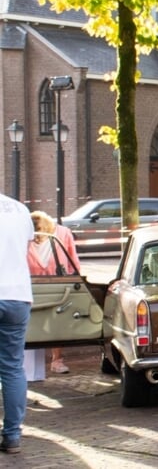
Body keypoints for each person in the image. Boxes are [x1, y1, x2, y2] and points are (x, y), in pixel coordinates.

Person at [0, 193, 34, 454]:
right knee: (12, 368)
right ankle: (12, 436)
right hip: (17, 296)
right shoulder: (20, 209)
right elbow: (27, 248)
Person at [27, 211, 80, 374]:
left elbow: (73, 258)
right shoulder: (25, 234)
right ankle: (27, 365)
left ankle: (57, 360)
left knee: (57, 321)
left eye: (40, 234)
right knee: (31, 322)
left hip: (57, 283)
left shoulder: (63, 233)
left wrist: (76, 279)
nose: (37, 238)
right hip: (30, 283)